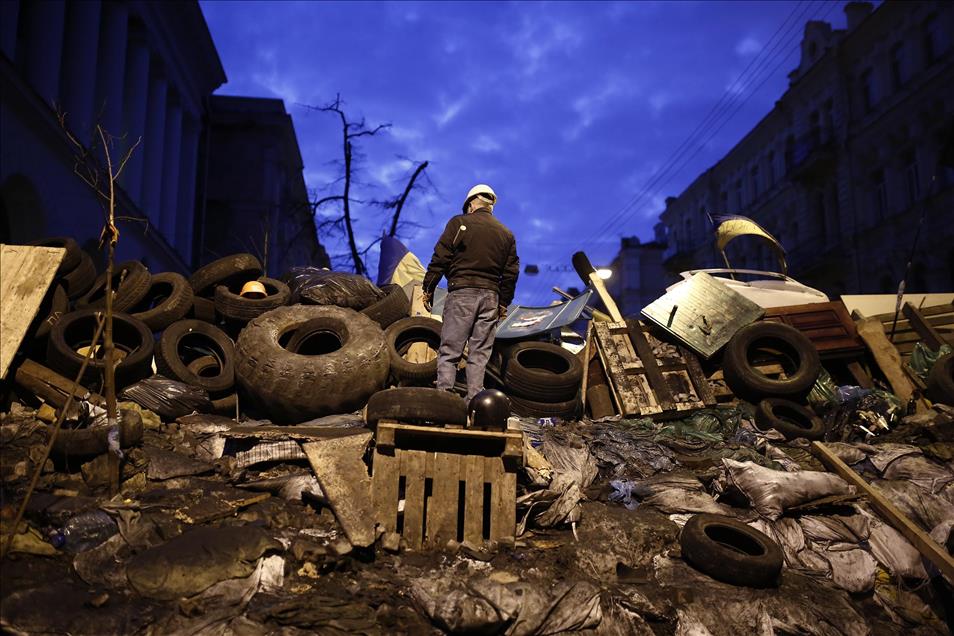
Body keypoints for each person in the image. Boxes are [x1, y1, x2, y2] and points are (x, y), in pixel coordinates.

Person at [422, 184, 519, 400]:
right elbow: (511, 273)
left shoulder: (459, 223)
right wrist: (503, 303)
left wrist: (428, 288)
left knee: (450, 351)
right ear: (490, 206)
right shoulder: (507, 234)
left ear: (472, 204)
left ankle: (444, 400)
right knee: (479, 355)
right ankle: (475, 404)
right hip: (490, 299)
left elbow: (441, 258)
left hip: (462, 294)